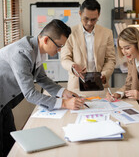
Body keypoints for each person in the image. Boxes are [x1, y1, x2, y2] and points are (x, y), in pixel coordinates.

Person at [0, 19, 85, 157]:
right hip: (2, 100)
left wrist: (64, 92)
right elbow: (30, 94)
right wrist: (64, 103)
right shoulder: (21, 53)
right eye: (58, 46)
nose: (59, 51)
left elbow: (41, 78)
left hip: (4, 104)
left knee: (11, 147)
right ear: (46, 40)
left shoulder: (37, 50)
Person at [106, 27, 139, 140]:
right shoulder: (133, 59)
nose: (124, 52)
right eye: (121, 48)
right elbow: (129, 84)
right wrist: (118, 94)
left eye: (127, 48)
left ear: (138, 44)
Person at [61, 0, 116, 91]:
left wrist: (105, 74)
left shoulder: (107, 33)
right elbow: (64, 59)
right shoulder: (69, 33)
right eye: (86, 19)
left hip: (100, 85)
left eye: (94, 19)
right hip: (76, 86)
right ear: (80, 14)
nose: (89, 23)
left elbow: (110, 59)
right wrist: (73, 66)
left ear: (98, 15)